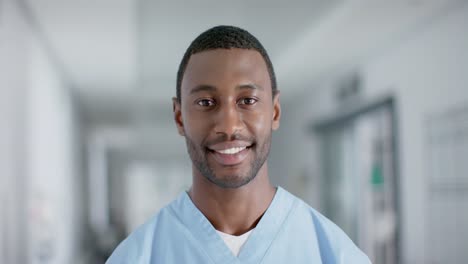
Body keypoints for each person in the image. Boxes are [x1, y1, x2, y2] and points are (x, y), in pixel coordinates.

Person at [107, 25, 371, 264]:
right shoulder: (135, 256)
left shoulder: (335, 254)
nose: (229, 126)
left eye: (247, 101)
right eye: (206, 102)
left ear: (275, 112)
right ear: (179, 117)